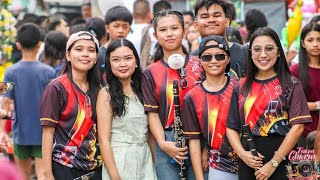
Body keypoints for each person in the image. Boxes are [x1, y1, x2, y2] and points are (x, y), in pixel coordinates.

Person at [226, 27, 312, 180]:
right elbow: (231, 127)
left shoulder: (291, 84)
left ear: (278, 52)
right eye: (257, 49)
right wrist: (242, 154)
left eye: (269, 49)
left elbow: (298, 127)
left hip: (283, 156)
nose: (263, 54)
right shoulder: (241, 86)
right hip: (250, 158)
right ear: (250, 53)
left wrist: (273, 163)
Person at [142, 9, 206, 180]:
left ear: (184, 31)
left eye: (174, 28)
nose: (169, 34)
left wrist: (207, 147)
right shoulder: (150, 72)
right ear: (155, 35)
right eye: (163, 30)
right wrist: (162, 143)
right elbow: (152, 113)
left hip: (201, 138)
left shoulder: (200, 65)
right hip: (167, 140)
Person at [40, 31, 102, 180]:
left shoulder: (100, 90)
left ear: (96, 59)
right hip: (64, 167)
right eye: (79, 49)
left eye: (91, 50)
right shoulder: (57, 88)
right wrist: (47, 174)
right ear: (68, 55)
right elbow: (47, 134)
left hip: (96, 169)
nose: (85, 54)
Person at [1, 23, 56, 180]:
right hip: (44, 133)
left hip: (21, 133)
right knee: (44, 174)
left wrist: (2, 131)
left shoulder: (10, 71)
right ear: (39, 44)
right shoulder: (49, 72)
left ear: (18, 45)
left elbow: (5, 103)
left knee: (22, 176)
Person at [97, 39, 156, 180]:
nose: (122, 64)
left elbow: (149, 136)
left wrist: (155, 164)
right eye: (116, 60)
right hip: (119, 159)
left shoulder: (143, 90)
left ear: (136, 61)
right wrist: (115, 177)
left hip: (145, 159)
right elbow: (103, 140)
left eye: (128, 58)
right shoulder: (106, 94)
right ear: (109, 64)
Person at [181, 35, 239, 180]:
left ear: (228, 59)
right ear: (200, 61)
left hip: (250, 162)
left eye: (220, 56)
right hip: (220, 166)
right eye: (207, 57)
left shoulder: (240, 87)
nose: (214, 61)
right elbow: (193, 140)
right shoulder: (192, 97)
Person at [192, 0, 245, 78]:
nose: (211, 20)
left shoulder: (244, 54)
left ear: (227, 22)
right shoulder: (192, 59)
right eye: (205, 16)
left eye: (216, 16)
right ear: (195, 25)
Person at [290, 23, 320, 137]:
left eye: (319, 39)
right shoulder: (295, 71)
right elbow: (293, 104)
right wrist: (317, 105)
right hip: (304, 132)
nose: (315, 44)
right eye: (310, 40)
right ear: (303, 43)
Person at [97, 6, 133, 84]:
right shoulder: (99, 54)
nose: (121, 31)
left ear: (129, 29)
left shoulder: (131, 52)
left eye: (125, 27)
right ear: (107, 28)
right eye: (116, 26)